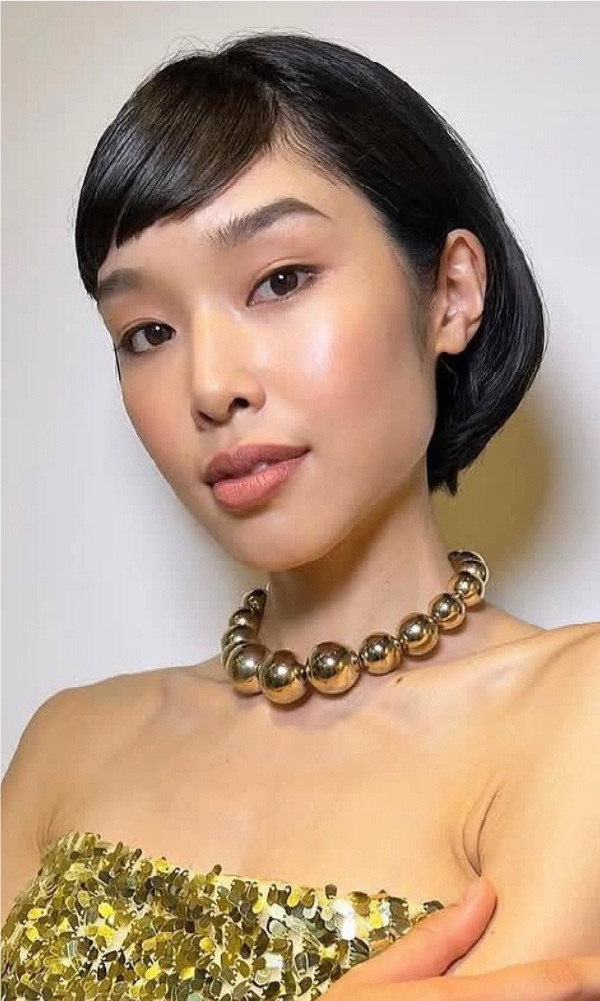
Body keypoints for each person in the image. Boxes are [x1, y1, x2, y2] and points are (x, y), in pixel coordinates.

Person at [2, 29, 599, 1001]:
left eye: (279, 280)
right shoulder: (65, 744)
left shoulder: (577, 715)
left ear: (451, 292)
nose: (210, 385)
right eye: (147, 331)